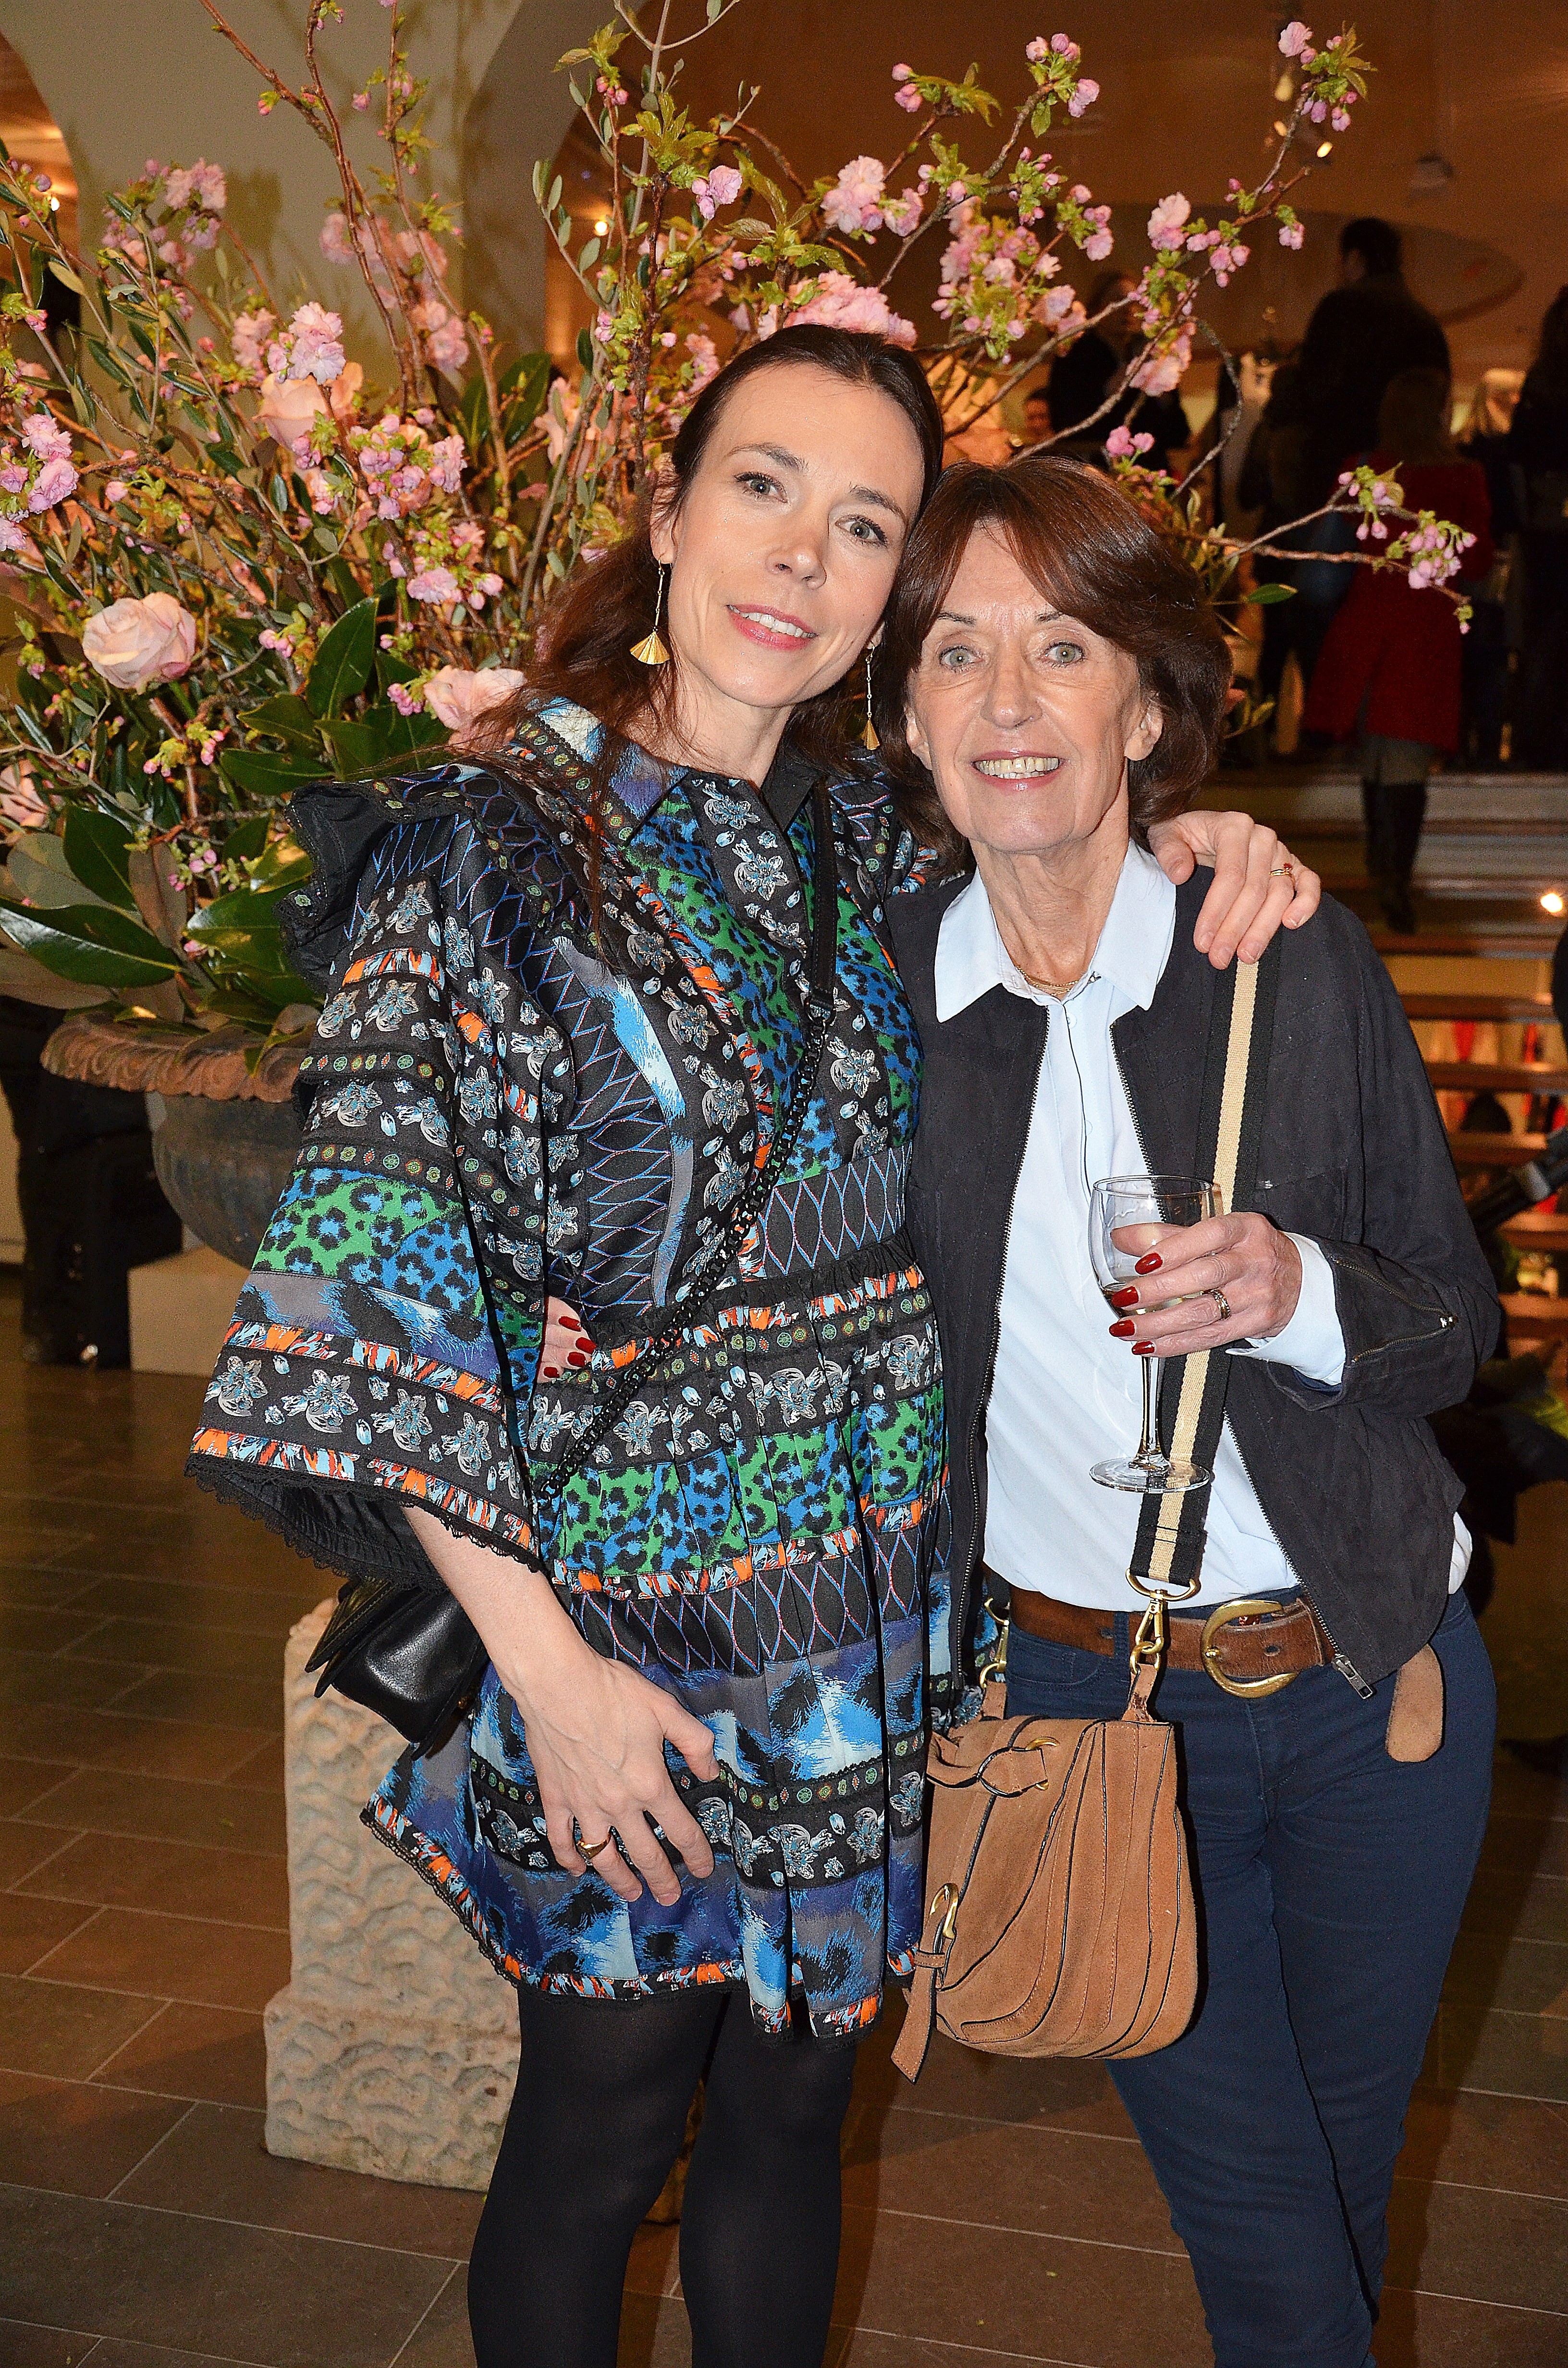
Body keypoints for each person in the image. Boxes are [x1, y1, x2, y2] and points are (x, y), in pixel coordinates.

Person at [186, 327, 1315, 2368]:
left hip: (863, 1624)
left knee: (800, 2113)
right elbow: (374, 1290)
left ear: (892, 593)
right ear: (669, 513)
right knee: (604, 2126)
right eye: (764, 486)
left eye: (864, 523)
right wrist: (554, 1686)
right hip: (621, 1634)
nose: (803, 552)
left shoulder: (872, 840)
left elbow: (1076, 874)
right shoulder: (487, 847)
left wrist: (1203, 840)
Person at [883, 452, 1498, 2368]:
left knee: (1333, 2196)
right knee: (1270, 2243)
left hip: (1377, 1682)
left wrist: (1296, 1290)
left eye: (1063, 648)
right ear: (903, 711)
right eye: (956, 650)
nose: (1007, 699)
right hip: (1092, 1708)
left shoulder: (1280, 953)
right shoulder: (878, 996)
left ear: (1147, 706)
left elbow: (1453, 1326)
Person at [1304, 365, 1493, 932]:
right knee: (1407, 763)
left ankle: (1380, 865)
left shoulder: (1363, 470)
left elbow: (1330, 551)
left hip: (1366, 625)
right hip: (1426, 631)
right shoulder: (1464, 476)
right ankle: (1396, 879)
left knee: (1377, 758)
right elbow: (1478, 561)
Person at [1296, 217, 1451, 508]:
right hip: (1409, 477)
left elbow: (1313, 393)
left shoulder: (1339, 309)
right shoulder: (1425, 323)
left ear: (1355, 258)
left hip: (1342, 473)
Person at [1507, 287, 1568, 769]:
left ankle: (1537, 742)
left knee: (1544, 632)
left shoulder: (1540, 384)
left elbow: (1518, 458)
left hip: (1545, 524)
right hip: (1547, 519)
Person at [1046, 270, 1191, 472]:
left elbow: (1180, 434)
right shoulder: (1074, 356)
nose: (1128, 310)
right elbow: (1065, 423)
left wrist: (1163, 395)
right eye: (1118, 301)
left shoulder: (1150, 353)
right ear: (1098, 309)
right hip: (1095, 467)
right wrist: (1114, 385)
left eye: (1134, 302)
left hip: (1148, 467)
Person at [1458, 367, 1523, 766]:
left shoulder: (1463, 449)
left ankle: (1462, 745)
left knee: (1469, 655)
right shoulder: (1509, 451)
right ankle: (1487, 745)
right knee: (1494, 654)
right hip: (1499, 564)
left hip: (1462, 563)